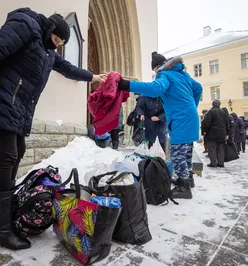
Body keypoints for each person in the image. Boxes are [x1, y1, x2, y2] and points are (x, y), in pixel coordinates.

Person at [0, 8, 107, 250]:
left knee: (14, 157)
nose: (58, 45)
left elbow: (67, 68)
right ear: (51, 31)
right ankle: (2, 231)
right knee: (6, 161)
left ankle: (4, 221)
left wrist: (92, 77)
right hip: (4, 105)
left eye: (61, 43)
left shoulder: (47, 52)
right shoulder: (26, 25)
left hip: (17, 113)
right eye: (58, 40)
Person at [118, 52, 203, 199]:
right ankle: (188, 179)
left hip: (180, 118)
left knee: (177, 154)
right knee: (187, 151)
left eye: (154, 70)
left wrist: (127, 85)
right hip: (191, 117)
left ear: (157, 67)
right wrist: (191, 106)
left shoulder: (164, 74)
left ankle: (184, 188)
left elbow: (156, 89)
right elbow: (198, 88)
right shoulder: (183, 74)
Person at [202, 100, 229, 168]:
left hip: (212, 134)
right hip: (222, 134)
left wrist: (205, 131)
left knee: (212, 148)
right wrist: (227, 133)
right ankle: (221, 163)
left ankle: (213, 163)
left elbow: (206, 123)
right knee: (221, 149)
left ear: (213, 104)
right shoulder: (223, 113)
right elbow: (227, 124)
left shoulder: (211, 112)